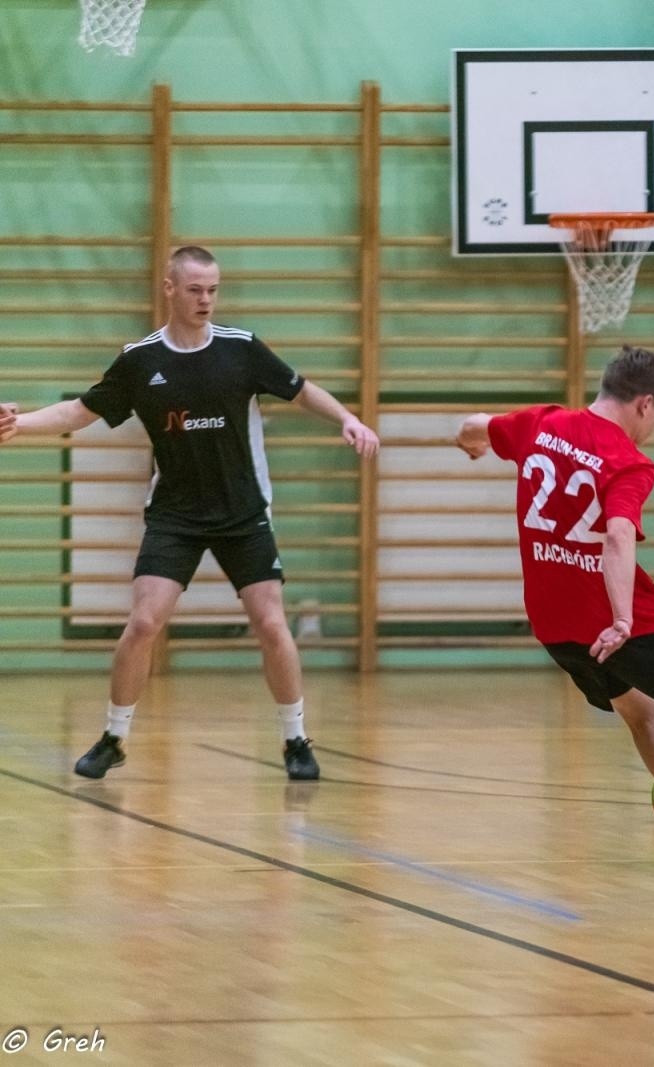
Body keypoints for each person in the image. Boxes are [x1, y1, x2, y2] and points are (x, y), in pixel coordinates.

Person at [0, 246, 379, 780]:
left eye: (213, 290)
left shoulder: (241, 349)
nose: (206, 299)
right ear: (170, 289)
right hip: (175, 514)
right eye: (196, 289)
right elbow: (80, 411)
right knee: (144, 622)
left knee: (271, 623)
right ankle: (114, 736)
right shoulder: (140, 359)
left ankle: (296, 740)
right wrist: (20, 426)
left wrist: (348, 419)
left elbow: (299, 389)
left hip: (242, 511)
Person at [454, 345, 654, 869]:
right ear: (645, 404)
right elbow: (618, 536)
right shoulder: (628, 462)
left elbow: (474, 425)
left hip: (554, 625)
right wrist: (623, 618)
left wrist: (468, 443)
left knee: (641, 713)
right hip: (618, 618)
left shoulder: (540, 424)